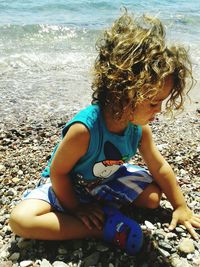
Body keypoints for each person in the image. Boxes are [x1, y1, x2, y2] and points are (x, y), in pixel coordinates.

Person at [9, 11, 199, 254]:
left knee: (152, 199)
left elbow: (159, 167)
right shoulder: (85, 130)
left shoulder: (140, 130)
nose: (158, 110)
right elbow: (58, 172)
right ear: (124, 91)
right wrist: (77, 208)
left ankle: (99, 210)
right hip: (68, 183)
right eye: (153, 103)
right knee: (21, 221)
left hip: (104, 179)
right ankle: (99, 227)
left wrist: (180, 206)